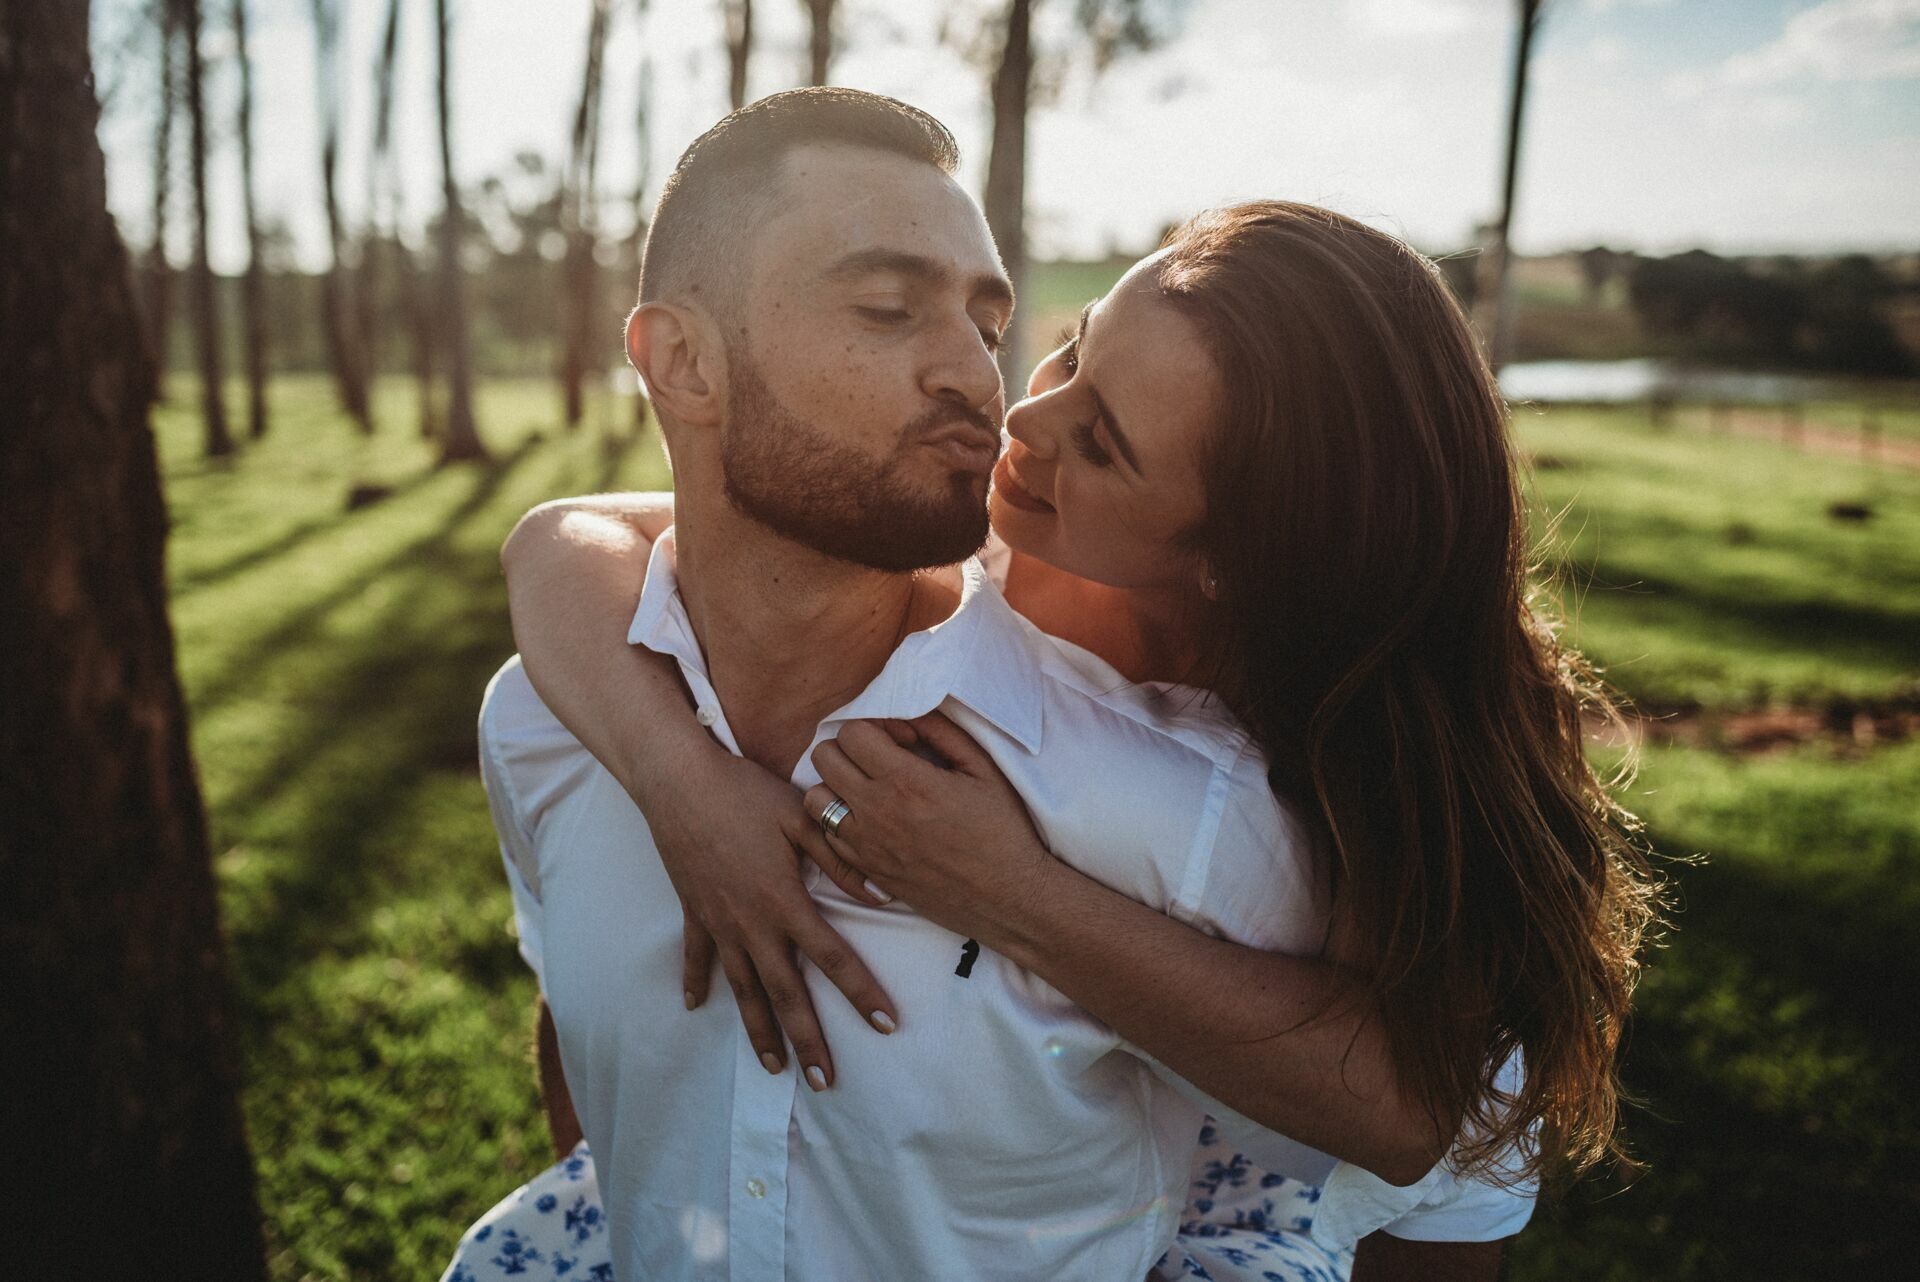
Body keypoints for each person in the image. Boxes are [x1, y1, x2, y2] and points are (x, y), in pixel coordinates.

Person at [457, 88, 1656, 1282]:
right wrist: (680, 778)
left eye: (1104, 441)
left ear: (1222, 558)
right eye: (1064, 346)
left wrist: (1014, 892)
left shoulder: (1252, 807)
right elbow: (567, 541)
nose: (1007, 402)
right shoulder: (568, 710)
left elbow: (1425, 1144)